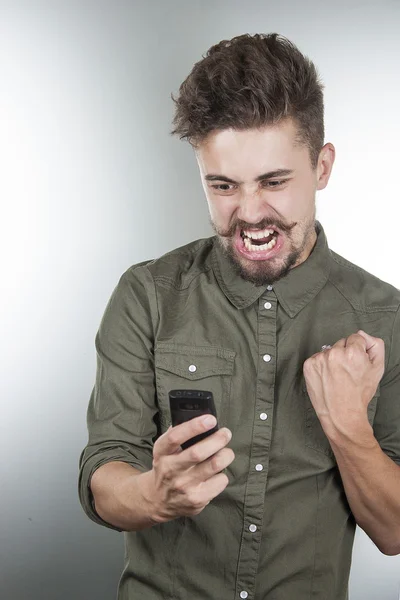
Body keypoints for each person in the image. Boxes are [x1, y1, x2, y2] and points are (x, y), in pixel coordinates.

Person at [78, 33, 400, 600]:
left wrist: (348, 425)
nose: (250, 214)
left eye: (275, 182)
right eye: (223, 185)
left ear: (322, 166)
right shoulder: (146, 295)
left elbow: (394, 531)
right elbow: (105, 475)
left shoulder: (385, 316)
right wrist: (155, 493)